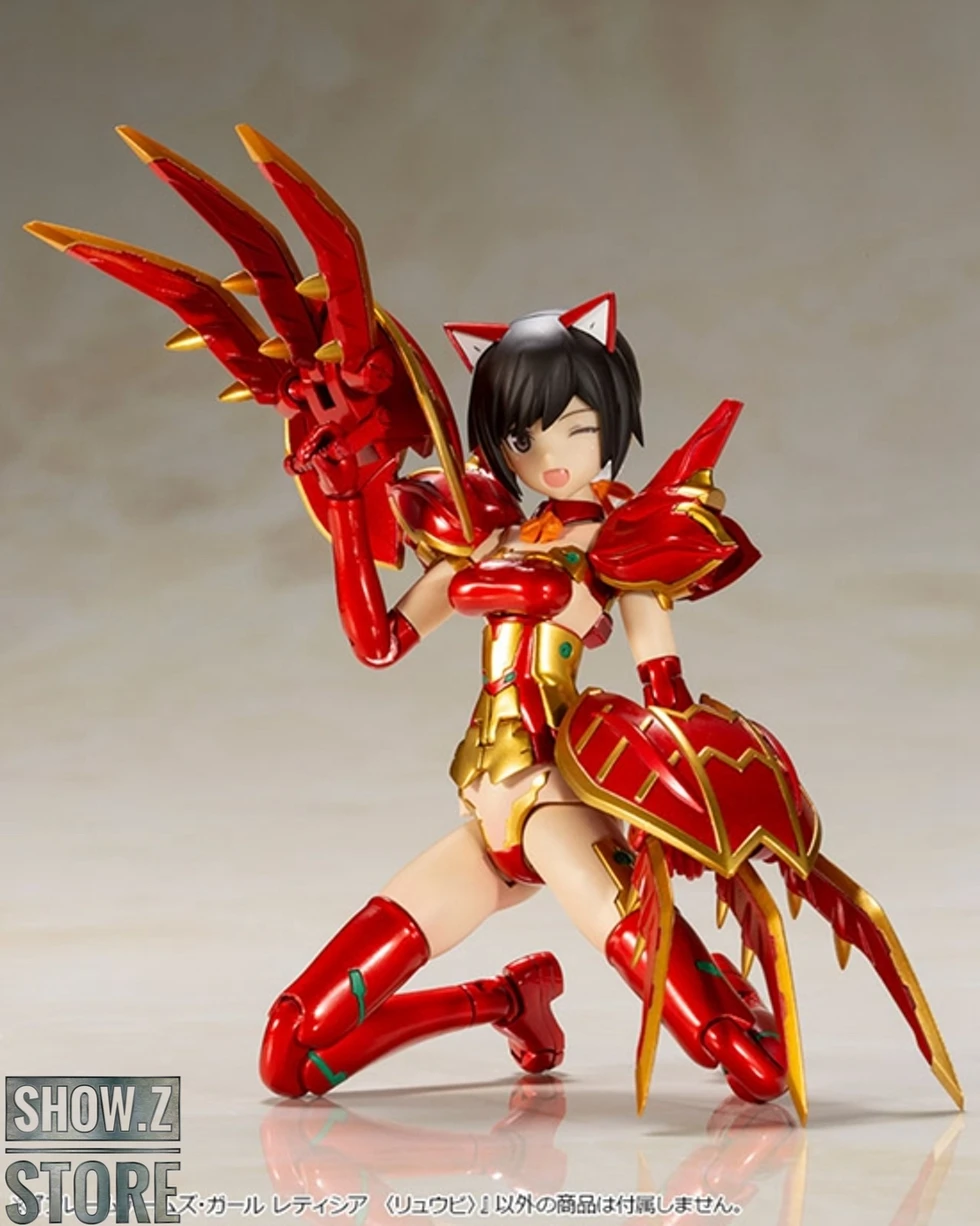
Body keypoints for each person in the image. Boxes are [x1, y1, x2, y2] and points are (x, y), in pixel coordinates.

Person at [26, 124, 963, 1125]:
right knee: (290, 1048)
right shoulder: (482, 538)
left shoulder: (615, 541)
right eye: (525, 433)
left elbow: (660, 685)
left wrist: (685, 792)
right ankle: (507, 1002)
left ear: (611, 423)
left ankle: (720, 1004)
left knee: (742, 1058)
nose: (550, 452)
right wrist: (343, 504)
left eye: (574, 426)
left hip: (562, 809)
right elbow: (379, 641)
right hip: (487, 813)